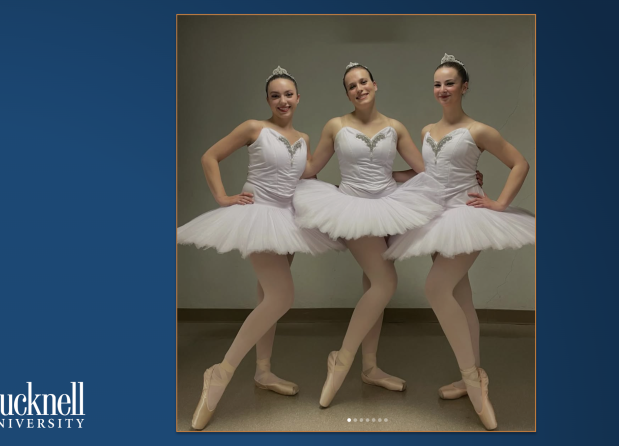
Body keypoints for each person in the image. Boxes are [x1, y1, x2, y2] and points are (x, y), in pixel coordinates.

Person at [177, 66, 343, 429]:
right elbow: (209, 156)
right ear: (267, 100)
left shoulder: (303, 138)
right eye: (275, 95)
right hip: (259, 215)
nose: (283, 101)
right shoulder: (254, 128)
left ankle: (263, 371)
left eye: (288, 94)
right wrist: (222, 197)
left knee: (268, 297)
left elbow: (307, 175)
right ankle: (220, 373)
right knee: (281, 297)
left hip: (288, 219)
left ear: (298, 98)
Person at [383, 54, 536, 430]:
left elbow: (520, 163)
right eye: (437, 84)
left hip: (466, 218)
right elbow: (427, 175)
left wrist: (499, 203)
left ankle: (474, 380)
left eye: (449, 83)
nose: (442, 89)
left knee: (436, 288)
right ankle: (472, 375)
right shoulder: (426, 130)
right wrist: (380, 176)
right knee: (461, 298)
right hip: (434, 218)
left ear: (464, 87)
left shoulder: (479, 130)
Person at [293, 62, 445, 407]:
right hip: (353, 207)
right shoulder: (336, 125)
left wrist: (465, 175)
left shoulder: (395, 127)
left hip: (390, 206)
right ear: (347, 94)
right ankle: (341, 359)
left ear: (374, 85)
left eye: (363, 82)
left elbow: (424, 170)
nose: (359, 88)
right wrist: (283, 156)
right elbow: (312, 167)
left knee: (372, 286)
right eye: (351, 86)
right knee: (385, 282)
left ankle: (371, 367)